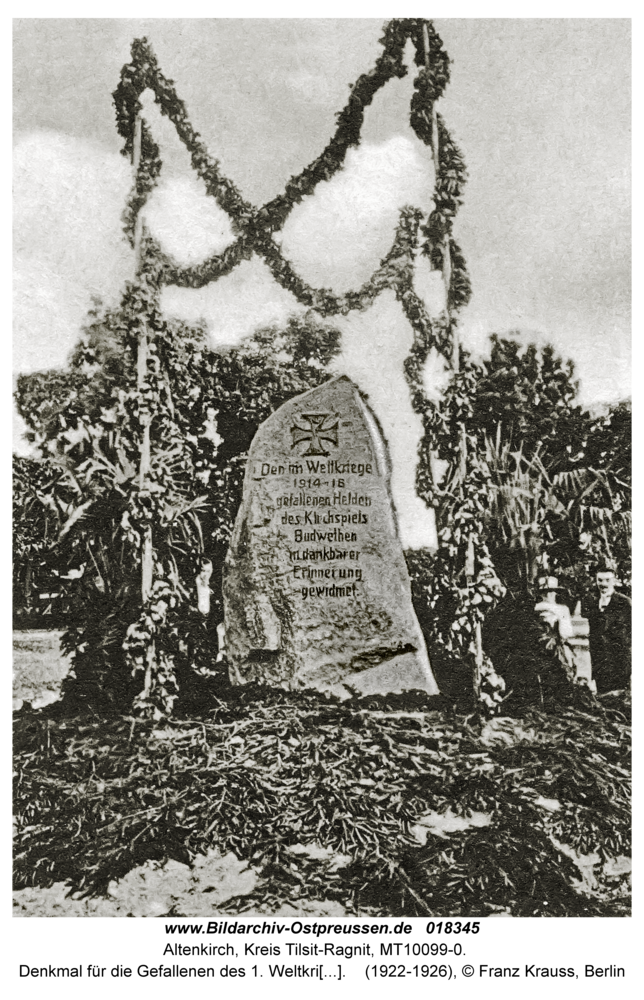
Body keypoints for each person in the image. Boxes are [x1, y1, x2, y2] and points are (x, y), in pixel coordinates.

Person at [585, 563, 631, 693]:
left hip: (619, 661)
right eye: (600, 580)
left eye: (607, 580)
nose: (603, 584)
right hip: (600, 662)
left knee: (621, 697)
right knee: (603, 698)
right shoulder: (593, 603)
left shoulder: (625, 603)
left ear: (614, 581)